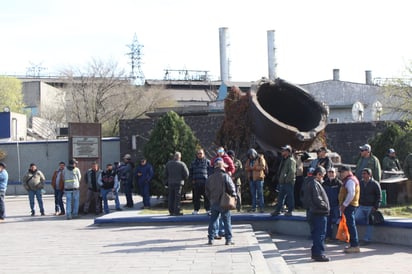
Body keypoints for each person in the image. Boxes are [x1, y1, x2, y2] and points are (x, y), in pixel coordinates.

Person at [302, 166, 330, 262]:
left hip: (313, 212)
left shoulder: (309, 182)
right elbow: (317, 198)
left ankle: (316, 253)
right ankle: (319, 254)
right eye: (323, 176)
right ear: (318, 174)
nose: (323, 178)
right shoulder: (314, 183)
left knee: (316, 234)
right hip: (319, 212)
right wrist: (325, 206)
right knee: (320, 234)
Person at [205, 158, 237, 245]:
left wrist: (210, 199)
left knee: (213, 221)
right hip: (224, 202)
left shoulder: (210, 178)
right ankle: (228, 239)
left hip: (214, 202)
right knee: (227, 221)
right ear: (222, 167)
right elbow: (232, 188)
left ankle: (211, 239)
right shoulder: (225, 176)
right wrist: (234, 197)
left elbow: (207, 191)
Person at [355, 168, 382, 245]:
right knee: (354, 218)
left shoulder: (375, 184)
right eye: (362, 174)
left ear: (369, 175)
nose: (363, 175)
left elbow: (379, 196)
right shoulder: (360, 183)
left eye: (365, 174)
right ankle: (353, 238)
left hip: (371, 207)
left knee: (369, 222)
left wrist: (376, 207)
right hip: (362, 206)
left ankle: (367, 239)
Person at [338, 165, 360, 253]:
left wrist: (344, 204)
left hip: (349, 206)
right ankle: (353, 244)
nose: (341, 174)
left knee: (351, 225)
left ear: (347, 172)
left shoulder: (350, 180)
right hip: (349, 205)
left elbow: (351, 194)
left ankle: (355, 245)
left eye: (342, 172)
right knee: (350, 224)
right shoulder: (349, 179)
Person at [271, 145, 296, 216]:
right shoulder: (284, 160)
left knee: (290, 197)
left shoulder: (291, 160)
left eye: (284, 151)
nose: (282, 152)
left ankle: (290, 211)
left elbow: (291, 172)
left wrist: (286, 180)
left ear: (288, 152)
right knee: (280, 197)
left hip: (288, 182)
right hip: (282, 182)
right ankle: (278, 210)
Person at [165, 151, 189, 216]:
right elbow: (186, 174)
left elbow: (165, 174)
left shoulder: (168, 164)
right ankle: (176, 211)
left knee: (171, 197)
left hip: (170, 182)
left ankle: (171, 211)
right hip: (179, 182)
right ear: (180, 157)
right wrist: (183, 178)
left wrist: (167, 180)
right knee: (177, 197)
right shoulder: (182, 164)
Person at [189, 149, 212, 215]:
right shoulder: (193, 163)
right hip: (196, 182)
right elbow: (190, 172)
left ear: (203, 154)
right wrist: (192, 180)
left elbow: (210, 172)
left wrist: (209, 180)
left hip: (205, 182)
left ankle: (208, 209)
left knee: (207, 197)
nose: (200, 155)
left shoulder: (207, 162)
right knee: (196, 197)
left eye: (201, 153)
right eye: (198, 153)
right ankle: (196, 209)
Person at [322, 167, 342, 241]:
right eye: (329, 172)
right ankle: (328, 237)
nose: (331, 174)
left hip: (337, 205)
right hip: (327, 206)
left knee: (338, 222)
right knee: (327, 222)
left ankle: (340, 237)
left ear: (335, 173)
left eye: (332, 172)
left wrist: (340, 204)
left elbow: (342, 194)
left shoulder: (339, 183)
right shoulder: (324, 183)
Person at [245, 148, 267, 213]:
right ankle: (254, 207)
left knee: (260, 193)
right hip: (251, 179)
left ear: (254, 154)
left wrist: (254, 168)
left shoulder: (260, 158)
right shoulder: (249, 160)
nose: (250, 157)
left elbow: (263, 167)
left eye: (251, 155)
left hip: (259, 178)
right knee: (253, 194)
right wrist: (249, 168)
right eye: (249, 156)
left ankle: (262, 208)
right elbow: (245, 167)